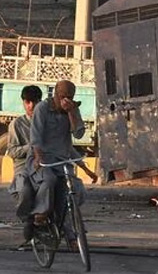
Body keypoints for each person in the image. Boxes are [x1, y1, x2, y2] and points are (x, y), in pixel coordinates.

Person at [26, 80, 97, 246]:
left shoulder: (72, 108)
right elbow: (36, 137)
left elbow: (78, 135)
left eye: (69, 97)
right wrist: (38, 157)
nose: (66, 100)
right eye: (62, 96)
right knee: (49, 180)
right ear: (55, 94)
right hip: (42, 159)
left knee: (73, 191)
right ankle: (40, 214)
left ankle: (71, 233)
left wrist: (71, 112)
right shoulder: (43, 108)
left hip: (62, 160)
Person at [6, 85, 42, 244]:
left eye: (34, 102)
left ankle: (71, 233)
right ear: (23, 103)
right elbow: (12, 152)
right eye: (28, 102)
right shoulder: (17, 124)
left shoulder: (46, 122)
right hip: (24, 167)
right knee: (25, 189)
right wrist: (31, 148)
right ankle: (28, 219)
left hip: (44, 165)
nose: (31, 106)